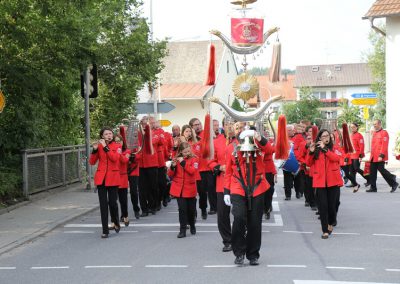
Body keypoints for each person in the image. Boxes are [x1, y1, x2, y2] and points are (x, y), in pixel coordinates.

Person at [224, 122, 270, 266]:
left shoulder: (258, 143)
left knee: (255, 223)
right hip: (238, 186)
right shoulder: (231, 147)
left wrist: (257, 136)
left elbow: (270, 149)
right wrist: (226, 191)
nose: (240, 130)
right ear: (234, 130)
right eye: (237, 128)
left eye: (243, 128)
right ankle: (239, 253)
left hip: (257, 187)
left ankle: (253, 254)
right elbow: (228, 171)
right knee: (238, 218)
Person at [307, 129, 343, 239]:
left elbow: (336, 158)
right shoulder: (316, 149)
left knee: (332, 206)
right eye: (323, 136)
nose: (325, 138)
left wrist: (325, 149)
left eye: (327, 136)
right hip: (320, 182)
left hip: (333, 181)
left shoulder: (335, 148)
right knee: (322, 207)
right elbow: (308, 163)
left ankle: (331, 222)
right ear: (319, 138)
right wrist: (311, 152)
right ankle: (325, 230)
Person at [89, 127, 121, 238]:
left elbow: (114, 158)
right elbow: (92, 162)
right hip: (101, 178)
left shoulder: (117, 146)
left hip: (113, 178)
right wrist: (95, 150)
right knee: (103, 205)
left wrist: (105, 147)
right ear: (102, 136)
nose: (109, 135)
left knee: (113, 203)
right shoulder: (99, 147)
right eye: (106, 134)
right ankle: (105, 230)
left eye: (110, 133)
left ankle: (116, 222)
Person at [208, 118, 234, 252]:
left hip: (238, 183)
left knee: (241, 214)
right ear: (223, 126)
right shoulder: (216, 142)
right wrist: (219, 167)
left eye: (232, 124)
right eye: (227, 124)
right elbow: (211, 162)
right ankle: (227, 240)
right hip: (222, 183)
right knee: (223, 215)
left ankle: (240, 236)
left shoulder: (241, 141)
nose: (230, 127)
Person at [168, 142, 199, 238]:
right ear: (181, 152)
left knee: (191, 210)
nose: (187, 153)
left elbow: (192, 171)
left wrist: (183, 162)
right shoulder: (177, 159)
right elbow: (170, 175)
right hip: (179, 189)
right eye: (185, 152)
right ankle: (182, 230)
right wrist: (172, 166)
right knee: (182, 210)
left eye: (188, 151)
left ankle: (192, 224)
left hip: (190, 189)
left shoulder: (195, 159)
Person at [367, 119, 399, 192]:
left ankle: (394, 183)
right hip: (373, 156)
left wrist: (381, 155)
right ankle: (373, 187)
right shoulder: (374, 133)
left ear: (379, 124)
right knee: (372, 172)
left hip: (380, 156)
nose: (374, 126)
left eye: (375, 124)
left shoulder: (384, 133)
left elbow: (384, 145)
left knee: (382, 170)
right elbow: (373, 146)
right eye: (373, 124)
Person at [114, 133, 130, 227]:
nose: (117, 143)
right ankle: (115, 219)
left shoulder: (127, 150)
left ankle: (125, 215)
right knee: (113, 201)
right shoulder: (113, 150)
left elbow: (124, 161)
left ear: (122, 142)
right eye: (115, 141)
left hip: (123, 177)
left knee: (123, 200)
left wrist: (118, 153)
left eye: (119, 141)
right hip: (114, 177)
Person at [348, 123, 368, 192]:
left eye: (354, 127)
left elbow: (362, 146)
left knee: (356, 169)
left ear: (357, 127)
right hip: (351, 155)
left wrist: (361, 155)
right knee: (351, 170)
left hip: (357, 155)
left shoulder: (359, 135)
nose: (352, 128)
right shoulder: (350, 135)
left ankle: (368, 178)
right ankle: (354, 183)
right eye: (351, 127)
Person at [283, 124, 295, 200]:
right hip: (286, 161)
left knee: (297, 178)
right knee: (287, 178)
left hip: (295, 161)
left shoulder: (297, 138)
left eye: (291, 130)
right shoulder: (283, 139)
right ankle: (288, 195)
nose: (291, 132)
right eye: (289, 130)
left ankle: (298, 191)